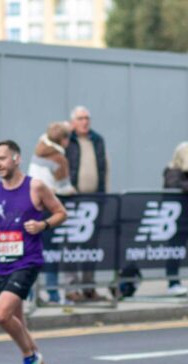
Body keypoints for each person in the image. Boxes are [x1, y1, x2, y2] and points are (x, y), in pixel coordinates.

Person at [0, 140, 67, 364]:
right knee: (19, 324)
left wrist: (43, 225)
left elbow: (61, 212)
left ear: (16, 158)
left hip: (28, 261)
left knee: (1, 315)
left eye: (2, 158)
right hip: (4, 262)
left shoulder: (35, 186)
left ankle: (29, 357)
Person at [65, 106, 109, 301]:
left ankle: (89, 286)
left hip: (94, 199)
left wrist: (104, 194)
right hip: (74, 199)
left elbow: (104, 167)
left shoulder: (97, 140)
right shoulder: (68, 141)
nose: (85, 122)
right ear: (73, 122)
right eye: (80, 118)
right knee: (71, 244)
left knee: (91, 245)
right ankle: (71, 287)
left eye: (87, 118)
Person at [28, 122, 75, 305]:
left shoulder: (38, 150)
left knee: (32, 252)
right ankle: (53, 294)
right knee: (50, 253)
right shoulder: (59, 159)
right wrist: (72, 191)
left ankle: (31, 294)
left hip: (31, 205)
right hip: (48, 206)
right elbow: (65, 188)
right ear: (63, 140)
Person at [162, 141, 188, 297]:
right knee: (175, 251)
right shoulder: (173, 171)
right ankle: (173, 282)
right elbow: (174, 186)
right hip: (176, 220)